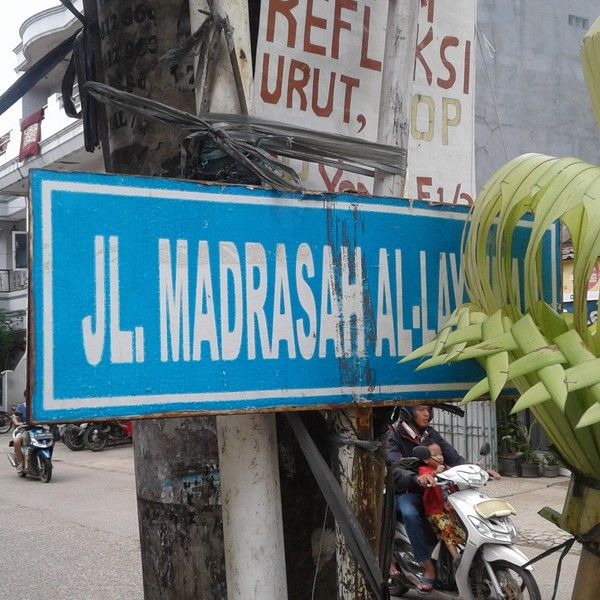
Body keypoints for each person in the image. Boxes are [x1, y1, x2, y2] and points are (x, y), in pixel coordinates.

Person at [386, 404, 468, 592]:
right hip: (407, 491)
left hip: (434, 490)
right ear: (408, 412)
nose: (427, 414)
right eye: (421, 409)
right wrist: (416, 478)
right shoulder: (395, 436)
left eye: (428, 410)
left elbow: (454, 458)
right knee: (410, 513)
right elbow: (395, 469)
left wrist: (478, 470)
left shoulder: (431, 434)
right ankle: (427, 568)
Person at [418, 441, 466, 562]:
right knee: (447, 529)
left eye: (440, 454)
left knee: (464, 530)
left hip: (450, 507)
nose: (440, 457)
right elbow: (426, 477)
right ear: (426, 459)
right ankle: (456, 558)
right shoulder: (424, 469)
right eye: (435, 455)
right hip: (435, 510)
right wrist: (435, 473)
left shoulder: (447, 468)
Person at [12, 397, 28, 474]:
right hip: (23, 429)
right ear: (26, 396)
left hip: (37, 429)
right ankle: (21, 462)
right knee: (17, 441)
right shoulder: (21, 406)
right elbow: (14, 416)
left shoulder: (39, 407)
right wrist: (17, 423)